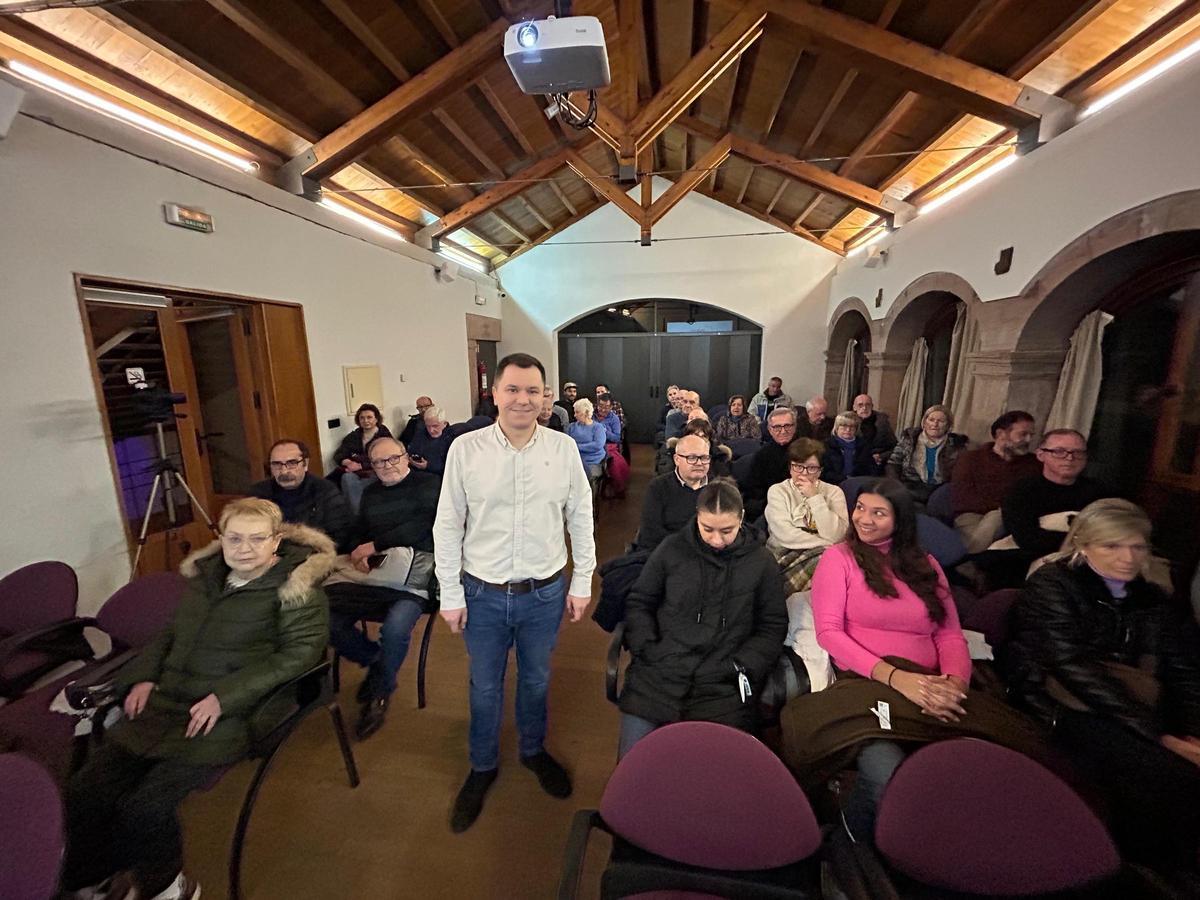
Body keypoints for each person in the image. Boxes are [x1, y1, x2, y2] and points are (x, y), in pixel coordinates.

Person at [61, 499, 331, 900]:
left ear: (276, 541)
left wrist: (224, 697)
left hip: (231, 714)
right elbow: (170, 636)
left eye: (257, 539)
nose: (245, 549)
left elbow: (300, 654)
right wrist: (143, 677)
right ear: (219, 539)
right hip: (166, 702)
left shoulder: (296, 588)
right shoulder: (205, 580)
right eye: (234, 538)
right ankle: (95, 876)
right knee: (85, 790)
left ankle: (168, 886)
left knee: (144, 807)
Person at [779, 479, 1048, 842]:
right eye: (860, 508)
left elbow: (948, 634)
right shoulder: (839, 559)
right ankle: (851, 845)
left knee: (986, 762)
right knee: (886, 771)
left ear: (900, 519)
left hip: (932, 682)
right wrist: (897, 679)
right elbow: (830, 634)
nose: (865, 519)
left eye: (878, 512)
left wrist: (953, 685)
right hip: (869, 682)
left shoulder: (926, 565)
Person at [433, 353, 595, 832]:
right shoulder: (466, 449)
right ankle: (482, 765)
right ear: (496, 393)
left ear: (545, 396)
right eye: (513, 389)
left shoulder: (562, 449)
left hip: (544, 593)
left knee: (536, 679)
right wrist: (449, 593)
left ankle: (532, 749)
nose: (523, 399)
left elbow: (580, 519)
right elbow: (447, 524)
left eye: (533, 391)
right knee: (484, 685)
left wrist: (582, 581)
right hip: (480, 592)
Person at [1003, 499, 1200, 869]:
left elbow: (1180, 669)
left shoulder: (1152, 597)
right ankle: (1139, 866)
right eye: (1112, 546)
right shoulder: (1053, 584)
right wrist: (1155, 732)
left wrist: (1191, 729)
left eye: (1137, 546)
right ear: (1083, 544)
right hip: (1056, 699)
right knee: (1162, 771)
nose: (1127, 557)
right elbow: (1069, 667)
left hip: (1130, 698)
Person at [618, 479, 788, 757]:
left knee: (713, 779)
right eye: (708, 529)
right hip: (658, 675)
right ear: (696, 517)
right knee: (633, 771)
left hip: (723, 686)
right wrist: (647, 647)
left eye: (727, 531)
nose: (717, 540)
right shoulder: (672, 549)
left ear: (742, 519)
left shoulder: (761, 562)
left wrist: (741, 666)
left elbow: (772, 625)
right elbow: (640, 601)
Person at [329, 436, 441, 740]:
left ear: (406, 457)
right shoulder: (371, 494)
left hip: (415, 578)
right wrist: (356, 552)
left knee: (394, 629)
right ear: (372, 466)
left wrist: (375, 545)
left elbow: (424, 527)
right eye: (379, 462)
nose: (387, 466)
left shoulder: (430, 484)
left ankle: (380, 692)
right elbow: (358, 531)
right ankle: (379, 663)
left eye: (393, 458)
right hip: (375, 576)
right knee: (327, 619)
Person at [950, 410, 1039, 552]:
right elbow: (962, 498)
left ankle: (966, 562)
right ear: (1000, 434)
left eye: (1031, 435)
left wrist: (1004, 510)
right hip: (970, 516)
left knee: (998, 517)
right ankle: (971, 562)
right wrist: (1001, 506)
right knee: (994, 519)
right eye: (1023, 434)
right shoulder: (970, 459)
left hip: (1012, 518)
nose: (1029, 440)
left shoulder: (1034, 464)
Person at [249, 438, 354, 552]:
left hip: (314, 555)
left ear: (305, 464)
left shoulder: (326, 491)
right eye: (277, 464)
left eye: (292, 463)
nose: (284, 471)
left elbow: (339, 537)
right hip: (269, 555)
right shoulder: (257, 494)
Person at [638, 432, 712, 552]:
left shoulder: (719, 488)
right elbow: (650, 533)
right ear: (677, 459)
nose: (699, 463)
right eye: (692, 458)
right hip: (669, 554)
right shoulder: (658, 487)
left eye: (704, 458)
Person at [886, 404, 968, 505]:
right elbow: (893, 463)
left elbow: (961, 473)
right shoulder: (910, 439)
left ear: (948, 425)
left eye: (941, 421)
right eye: (931, 420)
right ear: (924, 422)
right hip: (911, 486)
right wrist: (896, 485)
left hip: (940, 490)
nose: (935, 424)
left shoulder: (956, 445)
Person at [743, 407, 798, 520]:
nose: (783, 431)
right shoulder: (761, 456)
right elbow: (754, 490)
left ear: (795, 427)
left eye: (787, 426)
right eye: (777, 427)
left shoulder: (807, 451)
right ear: (769, 429)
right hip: (771, 507)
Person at [329, 403, 392, 487]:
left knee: (349, 480)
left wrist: (361, 466)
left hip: (375, 470)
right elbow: (340, 453)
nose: (365, 421)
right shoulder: (354, 436)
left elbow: (387, 457)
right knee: (328, 482)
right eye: (362, 418)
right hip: (351, 469)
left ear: (376, 419)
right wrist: (348, 462)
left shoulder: (384, 435)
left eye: (369, 417)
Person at [820, 411, 876, 485]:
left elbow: (870, 469)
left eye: (852, 426)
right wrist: (844, 479)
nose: (848, 430)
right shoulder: (825, 446)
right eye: (844, 426)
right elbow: (823, 472)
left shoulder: (864, 446)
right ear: (837, 428)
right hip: (833, 485)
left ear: (856, 429)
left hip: (859, 484)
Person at [567, 397, 608, 493]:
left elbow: (597, 445)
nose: (575, 415)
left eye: (577, 412)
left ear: (586, 412)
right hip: (574, 460)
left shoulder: (598, 428)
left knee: (585, 478)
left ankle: (590, 505)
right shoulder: (571, 427)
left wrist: (577, 446)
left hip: (593, 461)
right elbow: (567, 444)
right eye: (575, 412)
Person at [595, 393, 629, 496]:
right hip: (594, 444)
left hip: (609, 446)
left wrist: (604, 431)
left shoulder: (614, 418)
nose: (603, 410)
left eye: (606, 407)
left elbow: (617, 438)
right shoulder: (591, 415)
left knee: (617, 463)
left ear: (611, 407)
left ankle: (618, 488)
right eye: (601, 406)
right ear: (597, 405)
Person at [852, 394, 897, 469]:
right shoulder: (848, 422)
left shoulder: (882, 423)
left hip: (877, 463)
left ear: (872, 406)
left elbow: (895, 447)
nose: (864, 408)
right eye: (860, 405)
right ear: (854, 407)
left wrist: (881, 456)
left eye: (868, 405)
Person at [407, 406, 454, 476]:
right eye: (428, 426)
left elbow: (453, 467)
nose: (431, 430)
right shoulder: (420, 434)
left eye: (435, 426)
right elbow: (412, 451)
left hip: (441, 477)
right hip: (418, 474)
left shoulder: (452, 438)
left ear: (445, 424)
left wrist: (428, 466)